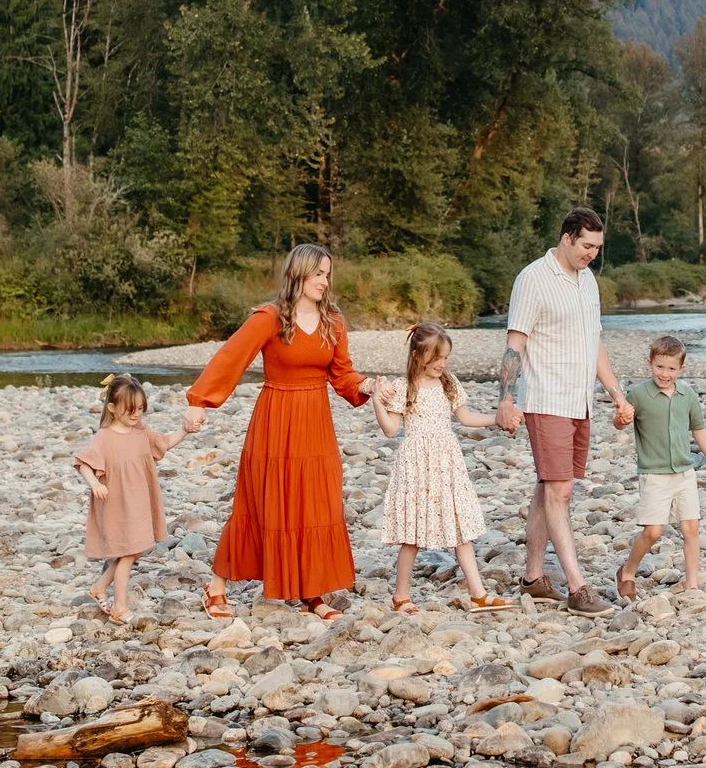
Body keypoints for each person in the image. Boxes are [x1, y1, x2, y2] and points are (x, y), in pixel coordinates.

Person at [183, 244, 374, 622]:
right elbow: (230, 357)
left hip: (315, 420)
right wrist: (199, 400)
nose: (324, 281)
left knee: (316, 501)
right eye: (318, 273)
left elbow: (343, 375)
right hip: (275, 418)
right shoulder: (270, 317)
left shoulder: (333, 321)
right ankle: (217, 585)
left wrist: (368, 385)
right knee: (259, 502)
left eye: (327, 274)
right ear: (298, 274)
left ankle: (312, 592)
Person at [493, 206, 632, 614]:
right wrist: (505, 399)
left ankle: (533, 578)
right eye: (587, 245)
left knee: (548, 485)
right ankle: (577, 587)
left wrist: (617, 394)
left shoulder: (588, 281)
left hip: (579, 400)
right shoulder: (533, 278)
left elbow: (595, 343)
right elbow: (514, 344)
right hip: (546, 398)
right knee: (561, 490)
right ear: (568, 237)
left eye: (597, 247)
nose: (592, 253)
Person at [374, 323, 514, 615]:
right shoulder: (404, 387)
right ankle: (401, 596)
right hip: (416, 466)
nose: (442, 363)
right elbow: (390, 430)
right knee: (412, 534)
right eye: (436, 357)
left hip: (446, 463)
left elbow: (466, 418)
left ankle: (478, 593)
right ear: (417, 355)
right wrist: (376, 402)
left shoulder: (449, 383)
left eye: (445, 357)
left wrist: (496, 419)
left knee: (459, 527)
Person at [74, 373, 195, 622]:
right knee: (128, 552)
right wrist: (95, 482)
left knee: (134, 549)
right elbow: (84, 463)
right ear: (112, 408)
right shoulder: (104, 437)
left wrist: (184, 431)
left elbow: (164, 443)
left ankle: (99, 588)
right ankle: (119, 607)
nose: (136, 414)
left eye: (140, 408)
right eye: (130, 410)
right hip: (117, 504)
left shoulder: (141, 431)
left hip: (139, 501)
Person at [614, 336, 706, 600]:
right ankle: (627, 572)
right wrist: (620, 417)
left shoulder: (687, 395)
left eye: (671, 369)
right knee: (653, 531)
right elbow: (620, 423)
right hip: (654, 472)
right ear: (650, 363)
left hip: (684, 472)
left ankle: (692, 584)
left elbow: (698, 428)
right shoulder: (639, 394)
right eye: (660, 367)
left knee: (691, 528)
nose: (665, 374)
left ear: (681, 369)